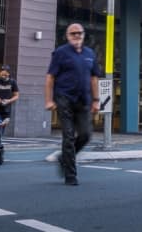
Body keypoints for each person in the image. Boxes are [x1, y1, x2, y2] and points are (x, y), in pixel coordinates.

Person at [45, 23, 103, 186]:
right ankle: (71, 175)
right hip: (64, 98)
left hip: (83, 100)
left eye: (80, 33)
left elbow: (94, 78)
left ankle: (64, 157)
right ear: (68, 35)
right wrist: (49, 100)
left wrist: (96, 100)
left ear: (84, 35)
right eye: (73, 33)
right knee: (69, 135)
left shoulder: (90, 53)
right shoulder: (60, 53)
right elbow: (50, 77)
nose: (77, 35)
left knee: (86, 135)